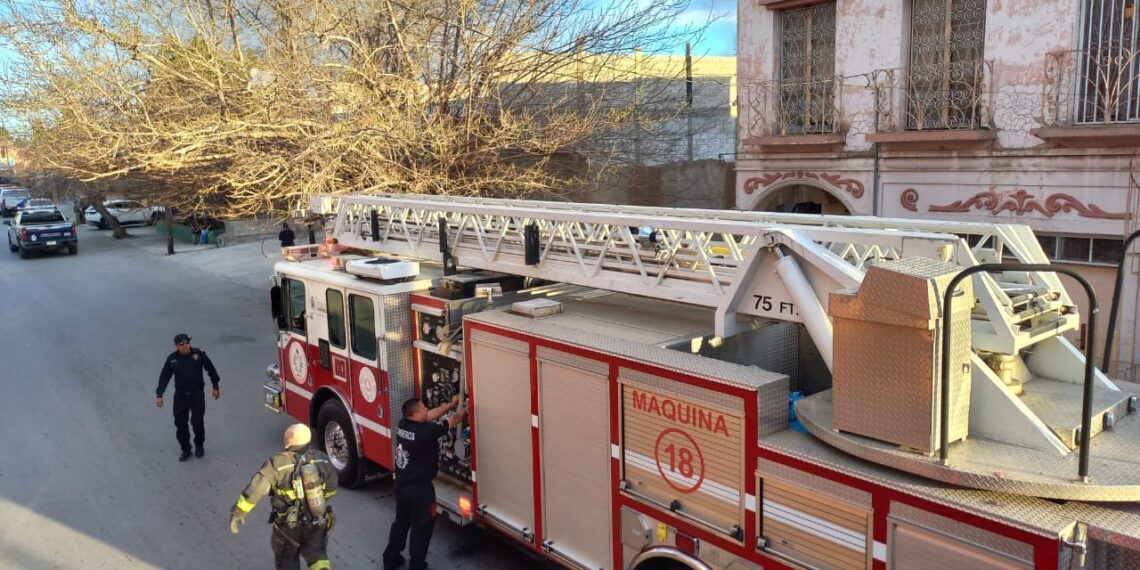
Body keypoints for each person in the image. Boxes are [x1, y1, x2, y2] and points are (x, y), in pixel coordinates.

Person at [230, 424, 338, 570]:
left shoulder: (276, 464)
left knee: (287, 560)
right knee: (318, 557)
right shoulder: (322, 459)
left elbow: (255, 491)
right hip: (317, 521)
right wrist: (316, 503)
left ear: (289, 441)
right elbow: (332, 487)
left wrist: (238, 513)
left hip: (288, 528)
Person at [382, 396, 466, 570]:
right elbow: (454, 420)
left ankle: (391, 558)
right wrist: (465, 409)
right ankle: (417, 565)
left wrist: (450, 404)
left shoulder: (403, 425)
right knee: (422, 527)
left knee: (401, 522)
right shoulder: (425, 432)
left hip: (401, 486)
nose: (427, 409)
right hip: (420, 491)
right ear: (415, 414)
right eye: (423, 408)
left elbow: (429, 416)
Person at [155, 333, 221, 461]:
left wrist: (215, 386)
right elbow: (164, 377)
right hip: (180, 396)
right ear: (176, 346)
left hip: (197, 394)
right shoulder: (172, 359)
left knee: (197, 422)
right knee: (180, 424)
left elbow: (211, 369)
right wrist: (159, 394)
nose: (185, 346)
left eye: (187, 343)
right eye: (182, 344)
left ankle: (199, 445)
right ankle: (185, 449)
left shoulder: (199, 354)